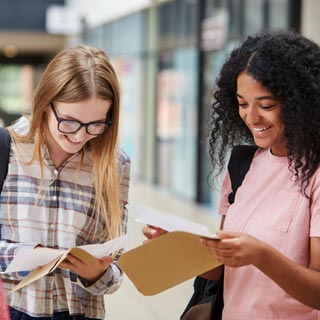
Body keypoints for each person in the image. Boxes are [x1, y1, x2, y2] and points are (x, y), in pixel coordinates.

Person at [144, 30, 320, 319]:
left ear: (302, 102)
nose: (252, 117)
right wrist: (178, 246)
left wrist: (262, 256)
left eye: (266, 105)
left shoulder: (315, 175)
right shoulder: (243, 164)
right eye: (242, 103)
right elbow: (221, 269)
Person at [0, 44, 130, 319]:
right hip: (12, 309)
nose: (80, 136)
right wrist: (32, 255)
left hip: (76, 313)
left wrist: (98, 273)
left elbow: (114, 275)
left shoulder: (114, 164)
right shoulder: (6, 149)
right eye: (69, 122)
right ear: (46, 104)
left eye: (95, 124)